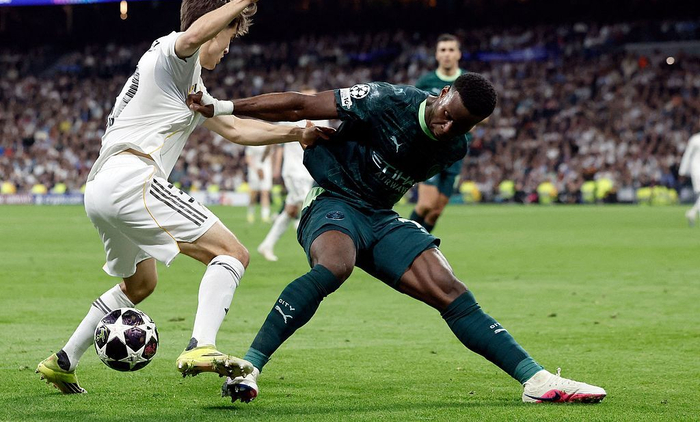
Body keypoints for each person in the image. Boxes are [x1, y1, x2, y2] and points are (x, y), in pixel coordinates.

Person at [187, 74, 607, 404]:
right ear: (442, 93)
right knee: (335, 265)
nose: (447, 127)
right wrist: (223, 106)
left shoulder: (454, 148)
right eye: (447, 114)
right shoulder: (386, 100)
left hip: (380, 216)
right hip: (333, 200)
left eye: (461, 125)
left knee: (450, 290)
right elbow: (301, 104)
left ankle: (535, 379)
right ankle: (251, 367)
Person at [36, 0, 333, 395]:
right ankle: (201, 346)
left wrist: (297, 132)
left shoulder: (188, 82)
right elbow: (192, 35)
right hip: (132, 179)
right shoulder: (170, 53)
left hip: (102, 187)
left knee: (141, 284)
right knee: (232, 253)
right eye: (230, 34)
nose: (229, 47)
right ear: (213, 25)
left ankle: (64, 361)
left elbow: (235, 129)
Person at [257, 87, 329, 262]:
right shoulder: (292, 117)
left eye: (314, 97)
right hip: (294, 172)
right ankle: (322, 252)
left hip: (309, 171)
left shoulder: (322, 118)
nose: (312, 100)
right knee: (312, 208)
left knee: (290, 210)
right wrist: (266, 160)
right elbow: (272, 136)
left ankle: (266, 245)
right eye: (308, 97)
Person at [409, 34, 465, 232]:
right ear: (437, 55)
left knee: (436, 211)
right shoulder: (426, 81)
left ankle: (420, 244)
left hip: (455, 152)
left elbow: (484, 115)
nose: (447, 54)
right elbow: (413, 109)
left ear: (458, 54)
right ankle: (404, 241)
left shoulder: (467, 82)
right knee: (426, 204)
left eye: (451, 50)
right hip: (430, 148)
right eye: (443, 50)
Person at [245, 145, 273, 223]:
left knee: (265, 192)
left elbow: (270, 156)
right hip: (254, 169)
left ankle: (265, 215)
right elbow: (248, 158)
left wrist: (271, 169)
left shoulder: (267, 144)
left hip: (266, 168)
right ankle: (250, 213)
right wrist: (256, 169)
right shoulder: (252, 144)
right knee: (253, 193)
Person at [679, 132, 700, 226]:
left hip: (695, 170)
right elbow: (688, 154)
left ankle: (693, 212)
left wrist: (682, 171)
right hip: (697, 169)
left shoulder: (695, 139)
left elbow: (687, 155)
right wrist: (682, 171)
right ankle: (692, 212)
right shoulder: (695, 139)